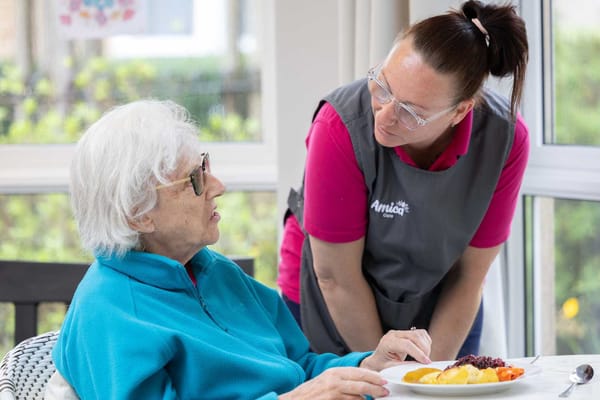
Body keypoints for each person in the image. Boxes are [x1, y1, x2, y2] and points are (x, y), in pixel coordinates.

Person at [47, 99, 433, 400]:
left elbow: (299, 365)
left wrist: (370, 364)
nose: (217, 185)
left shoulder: (212, 270)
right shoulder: (109, 313)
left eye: (205, 165)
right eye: (194, 179)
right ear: (138, 215)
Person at [277, 0, 529, 360]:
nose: (385, 115)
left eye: (411, 111)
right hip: (329, 293)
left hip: (441, 299)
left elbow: (469, 277)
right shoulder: (339, 126)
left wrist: (427, 377)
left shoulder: (504, 141)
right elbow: (337, 278)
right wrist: (392, 376)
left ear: (461, 111)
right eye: (382, 85)